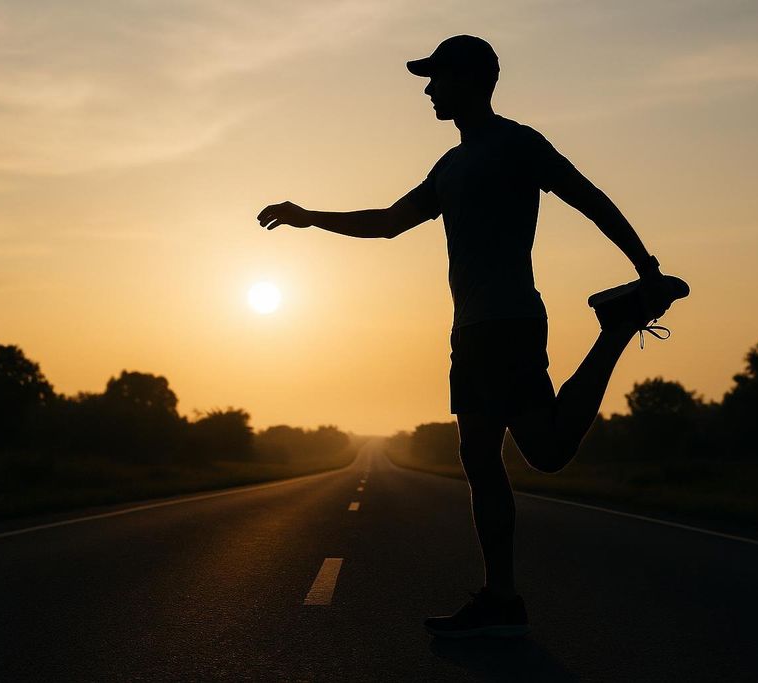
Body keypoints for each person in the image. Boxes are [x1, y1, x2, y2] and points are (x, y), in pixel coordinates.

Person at [256, 34, 690, 639]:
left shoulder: (519, 144)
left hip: (509, 322)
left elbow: (590, 199)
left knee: (545, 452)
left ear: (472, 80)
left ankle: (616, 330)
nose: (430, 90)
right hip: (471, 331)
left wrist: (645, 267)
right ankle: (500, 597)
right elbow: (387, 224)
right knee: (480, 458)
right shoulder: (450, 165)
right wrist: (310, 218)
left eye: (439, 79)